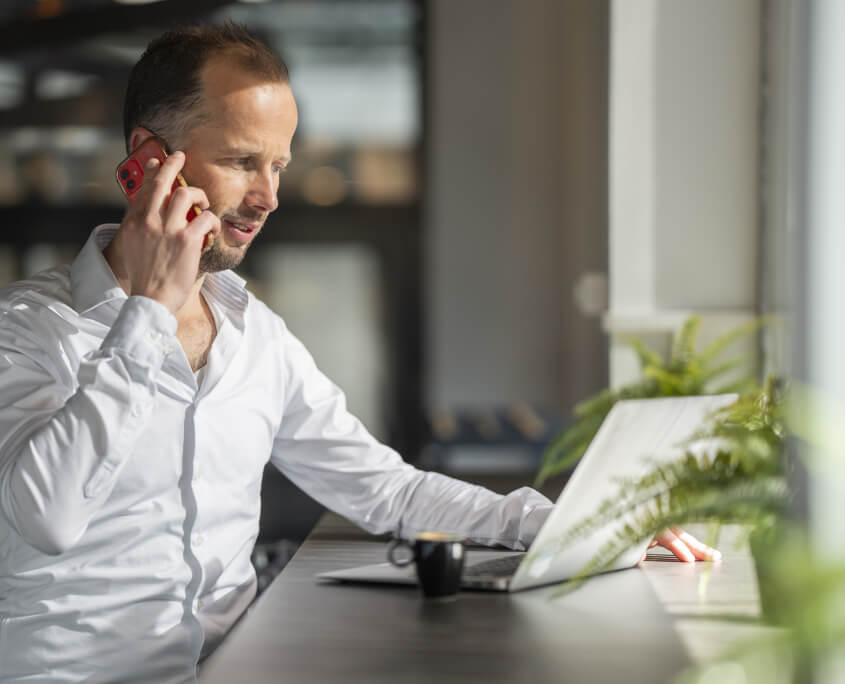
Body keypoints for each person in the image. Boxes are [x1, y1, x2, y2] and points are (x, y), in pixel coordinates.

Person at [0, 23, 718, 684]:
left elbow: (387, 489)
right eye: (243, 161)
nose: (269, 196)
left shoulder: (257, 337)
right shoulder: (28, 329)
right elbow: (49, 517)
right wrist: (149, 312)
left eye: (279, 164)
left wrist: (577, 525)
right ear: (149, 160)